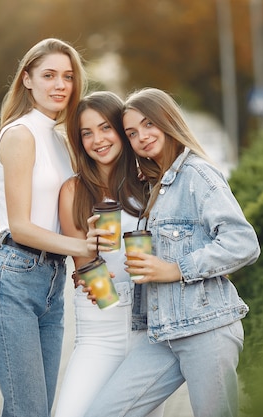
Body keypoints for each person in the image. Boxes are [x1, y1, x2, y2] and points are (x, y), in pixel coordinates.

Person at [84, 87, 260, 417]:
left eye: (149, 124)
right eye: (132, 133)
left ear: (168, 120)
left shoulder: (197, 175)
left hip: (207, 329)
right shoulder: (156, 183)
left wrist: (176, 269)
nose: (142, 137)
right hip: (163, 333)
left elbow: (244, 243)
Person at [0, 38, 97, 417]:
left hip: (51, 281)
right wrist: (84, 248)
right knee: (27, 410)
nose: (60, 84)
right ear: (27, 80)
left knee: (39, 410)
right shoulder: (20, 134)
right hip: (13, 281)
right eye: (49, 75)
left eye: (67, 76)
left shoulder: (61, 140)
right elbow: (22, 227)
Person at [55, 91, 164, 417]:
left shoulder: (150, 185)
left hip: (148, 333)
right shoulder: (73, 191)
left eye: (105, 128)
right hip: (99, 331)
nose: (97, 140)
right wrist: (94, 270)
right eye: (86, 133)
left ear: (121, 130)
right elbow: (85, 267)